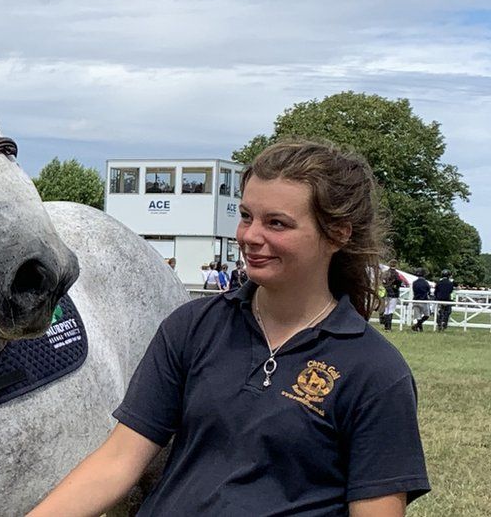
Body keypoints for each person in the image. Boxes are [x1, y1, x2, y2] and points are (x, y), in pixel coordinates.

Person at [29, 140, 429, 516]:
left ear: (338, 234)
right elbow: (117, 462)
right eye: (246, 216)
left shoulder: (375, 372)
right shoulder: (192, 326)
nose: (251, 237)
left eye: (277, 223)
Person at [380, 259, 402, 331]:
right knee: (391, 310)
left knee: (386, 309)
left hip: (386, 293)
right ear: (396, 265)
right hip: (393, 293)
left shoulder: (385, 273)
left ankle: (386, 326)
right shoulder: (396, 274)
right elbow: (399, 282)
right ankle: (388, 327)